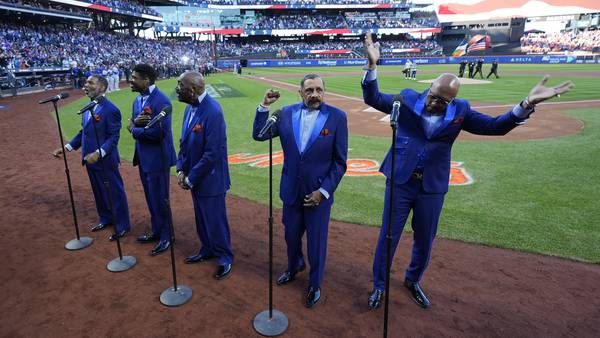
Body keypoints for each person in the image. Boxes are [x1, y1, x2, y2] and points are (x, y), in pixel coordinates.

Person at [361, 33, 573, 310]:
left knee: (425, 240)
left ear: (453, 100)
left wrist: (526, 104)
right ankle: (379, 285)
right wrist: (372, 65)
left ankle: (413, 280)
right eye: (435, 97)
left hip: (432, 188)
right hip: (400, 182)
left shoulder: (460, 110)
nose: (438, 103)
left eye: (445, 101)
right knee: (388, 236)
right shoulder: (407, 99)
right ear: (430, 89)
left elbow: (496, 126)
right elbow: (372, 96)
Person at [252, 74, 348, 308]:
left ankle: (315, 284)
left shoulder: (337, 117)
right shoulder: (285, 114)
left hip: (318, 195)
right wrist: (264, 106)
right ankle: (294, 266)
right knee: (291, 237)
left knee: (316, 243)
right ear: (300, 92)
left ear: (324, 92)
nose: (314, 94)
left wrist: (323, 191)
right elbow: (259, 134)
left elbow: (339, 163)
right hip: (291, 191)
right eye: (309, 90)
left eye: (318, 90)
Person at [52, 75, 131, 241]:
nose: (85, 86)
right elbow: (84, 132)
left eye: (90, 83)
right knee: (98, 192)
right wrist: (67, 147)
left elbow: (113, 137)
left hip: (105, 160)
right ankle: (106, 218)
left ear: (102, 88)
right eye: (86, 83)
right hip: (89, 159)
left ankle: (122, 225)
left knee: (114, 193)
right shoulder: (87, 107)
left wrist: (98, 153)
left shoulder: (111, 110)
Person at [176, 71, 234, 280]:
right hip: (195, 177)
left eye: (180, 85)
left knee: (215, 219)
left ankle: (225, 257)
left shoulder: (213, 111)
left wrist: (191, 178)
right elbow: (183, 143)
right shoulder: (188, 110)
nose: (177, 90)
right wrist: (181, 168)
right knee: (201, 217)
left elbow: (213, 153)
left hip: (210, 179)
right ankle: (207, 248)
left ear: (192, 90)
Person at [127, 63, 176, 256]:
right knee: (150, 198)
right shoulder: (137, 100)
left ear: (146, 80)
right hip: (144, 158)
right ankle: (157, 231)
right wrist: (134, 126)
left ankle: (167, 235)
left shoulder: (161, 101)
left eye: (134, 77)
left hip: (158, 158)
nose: (131, 80)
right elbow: (132, 120)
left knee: (160, 199)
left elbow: (159, 133)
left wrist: (134, 129)